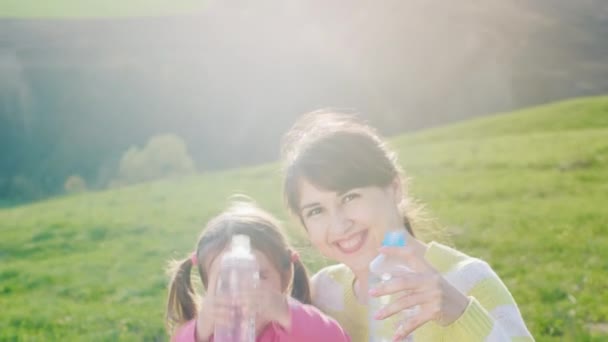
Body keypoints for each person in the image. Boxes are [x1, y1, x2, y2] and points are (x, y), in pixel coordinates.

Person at [280, 111, 534, 341]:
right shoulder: (323, 291)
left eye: (349, 197)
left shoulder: (467, 279)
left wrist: (461, 313)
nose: (338, 225)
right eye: (316, 211)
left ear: (395, 188)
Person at [165, 201, 351, 342]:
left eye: (258, 276)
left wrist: (285, 313)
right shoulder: (208, 332)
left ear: (284, 277)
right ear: (208, 289)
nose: (244, 290)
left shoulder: (290, 326)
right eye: (227, 280)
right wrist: (200, 329)